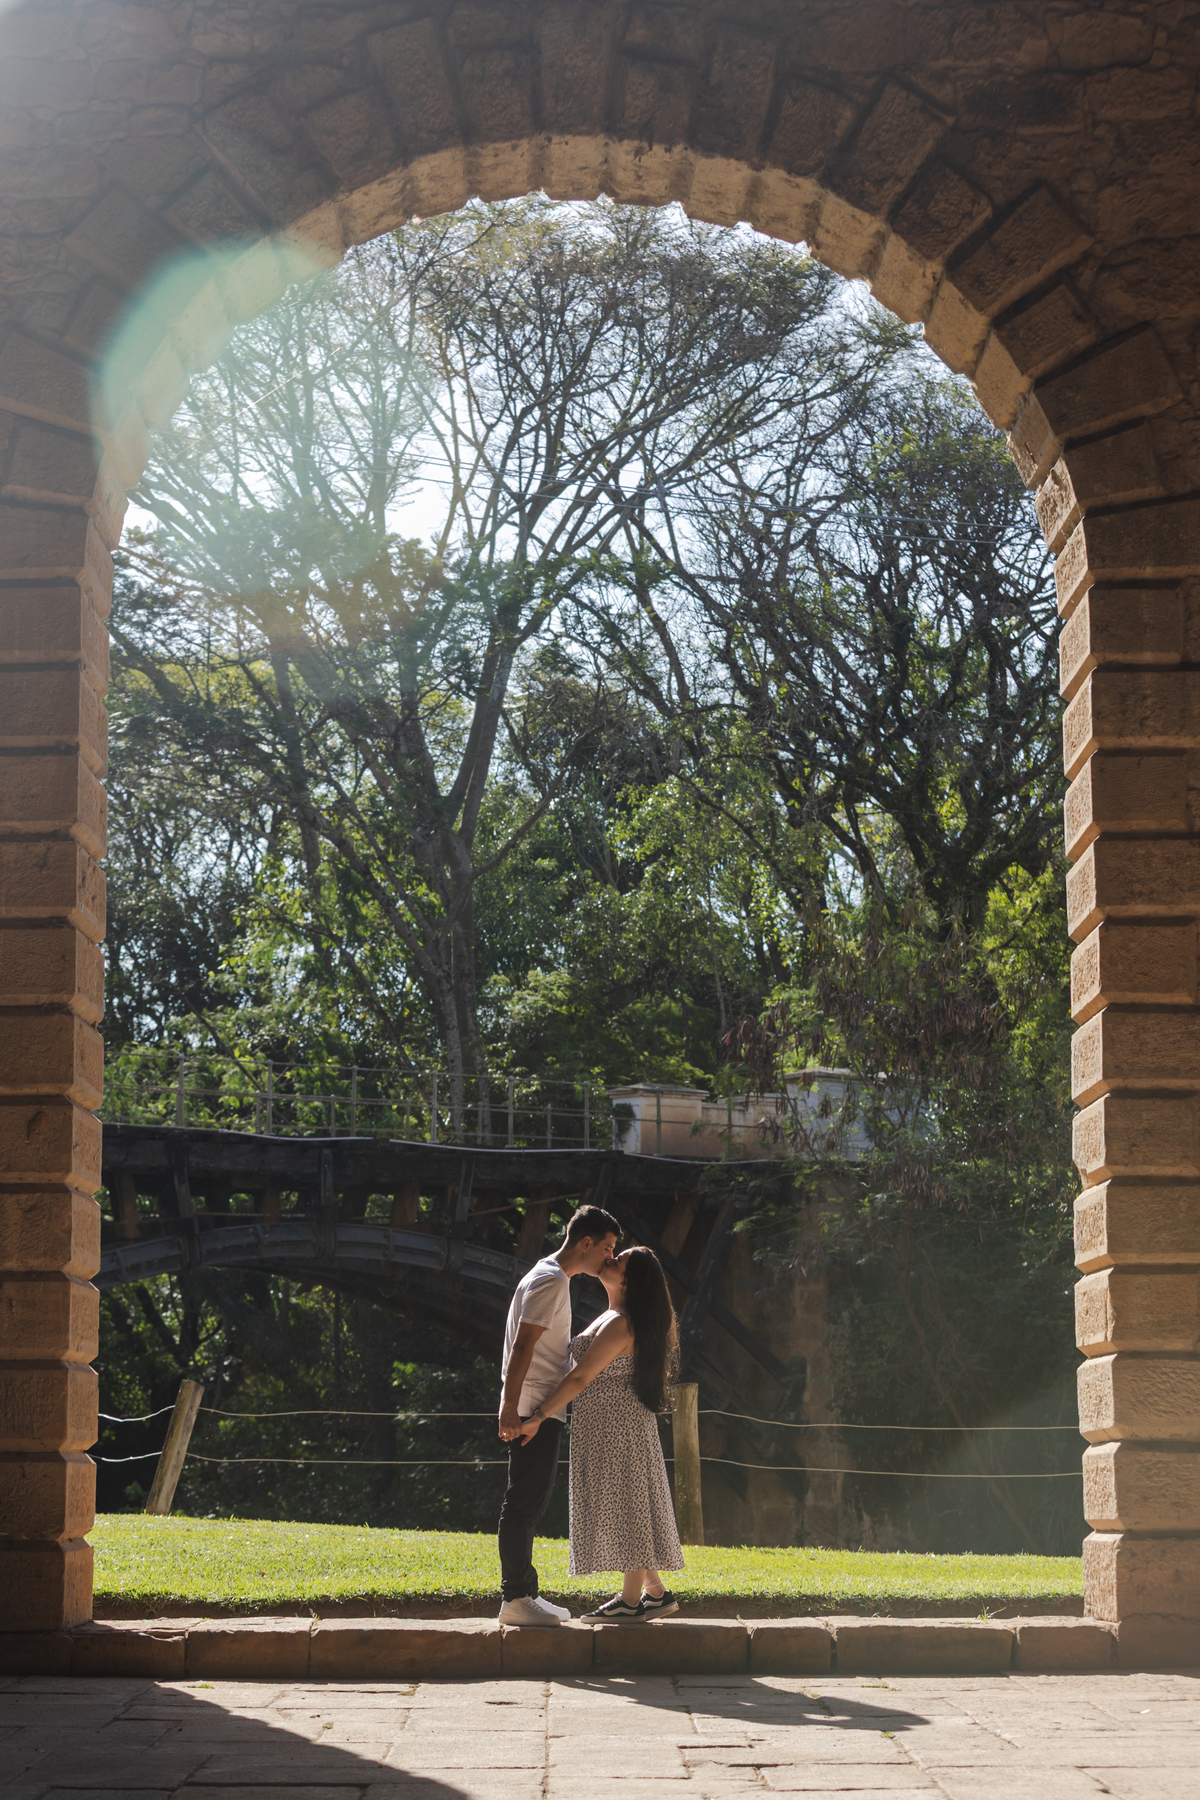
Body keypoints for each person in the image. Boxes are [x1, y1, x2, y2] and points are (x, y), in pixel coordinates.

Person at [517, 1245, 684, 1622]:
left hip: (619, 1429)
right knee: (630, 1504)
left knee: (629, 1507)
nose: (610, 1259)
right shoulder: (613, 1316)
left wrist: (540, 1415)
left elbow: (580, 1376)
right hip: (608, 1427)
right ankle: (655, 1593)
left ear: (630, 1280)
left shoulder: (621, 1323)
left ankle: (629, 1602)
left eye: (618, 1260)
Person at [496, 1201, 621, 1626]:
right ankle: (515, 1599)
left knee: (530, 1500)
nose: (610, 1257)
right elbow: (523, 1346)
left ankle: (525, 1593)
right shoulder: (551, 1280)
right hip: (534, 1405)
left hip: (534, 1403)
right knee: (524, 1502)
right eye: (606, 1248)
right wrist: (512, 1410)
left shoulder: (548, 1274)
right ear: (586, 1242)